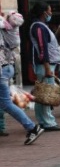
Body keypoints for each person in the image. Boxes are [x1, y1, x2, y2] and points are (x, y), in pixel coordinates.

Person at [0, 8, 44, 144]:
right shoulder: (9, 30)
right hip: (7, 67)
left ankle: (32, 128)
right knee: (5, 102)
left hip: (2, 70)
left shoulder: (5, 28)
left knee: (6, 103)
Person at [29, 1, 60, 131]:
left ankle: (43, 120)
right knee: (46, 94)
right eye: (49, 10)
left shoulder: (42, 26)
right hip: (44, 66)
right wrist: (48, 68)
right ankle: (48, 122)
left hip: (46, 65)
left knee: (41, 94)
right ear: (44, 13)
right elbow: (42, 49)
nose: (51, 13)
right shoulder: (39, 27)